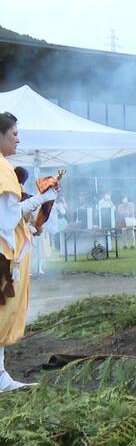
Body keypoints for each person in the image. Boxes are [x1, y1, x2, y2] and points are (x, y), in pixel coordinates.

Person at [0, 112, 60, 392]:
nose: (18, 139)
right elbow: (6, 220)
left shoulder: (4, 168)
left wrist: (32, 226)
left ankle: (0, 375)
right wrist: (41, 199)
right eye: (14, 134)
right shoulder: (1, 170)